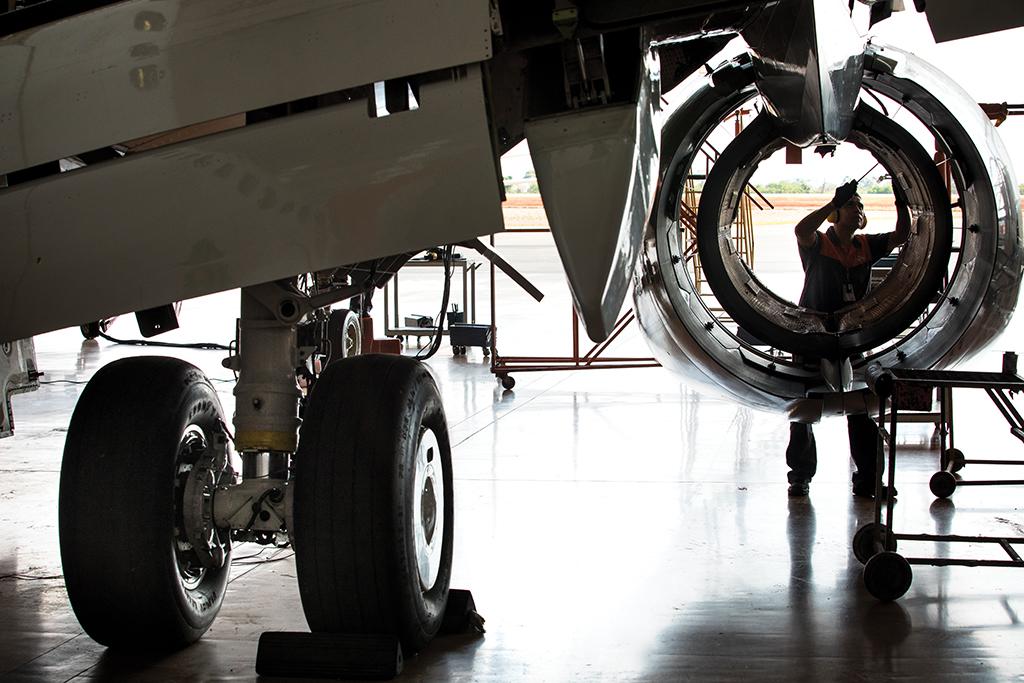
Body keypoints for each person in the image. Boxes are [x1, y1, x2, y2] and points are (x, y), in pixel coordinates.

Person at [786, 180, 910, 498]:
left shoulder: (864, 246)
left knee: (860, 406)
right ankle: (800, 475)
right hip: (813, 334)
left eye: (860, 206)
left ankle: (869, 478)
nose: (858, 210)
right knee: (805, 408)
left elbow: (902, 236)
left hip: (852, 336)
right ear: (837, 214)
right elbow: (801, 230)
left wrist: (900, 200)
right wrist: (831, 202)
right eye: (852, 205)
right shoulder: (818, 244)